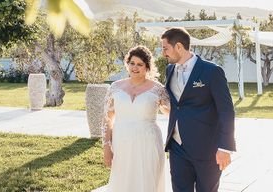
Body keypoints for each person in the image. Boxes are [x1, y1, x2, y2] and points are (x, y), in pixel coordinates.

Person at [161, 27, 236, 192]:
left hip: (207, 149)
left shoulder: (212, 71)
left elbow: (226, 111)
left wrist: (225, 147)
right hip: (177, 147)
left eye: (165, 48)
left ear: (179, 47)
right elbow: (177, 104)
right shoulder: (169, 70)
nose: (163, 53)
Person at [101, 45, 170, 192]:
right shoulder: (115, 87)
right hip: (122, 143)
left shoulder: (158, 89)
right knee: (123, 182)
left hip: (148, 143)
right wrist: (107, 147)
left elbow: (173, 113)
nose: (135, 67)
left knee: (146, 182)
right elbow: (107, 119)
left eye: (140, 64)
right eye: (132, 63)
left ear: (147, 67)